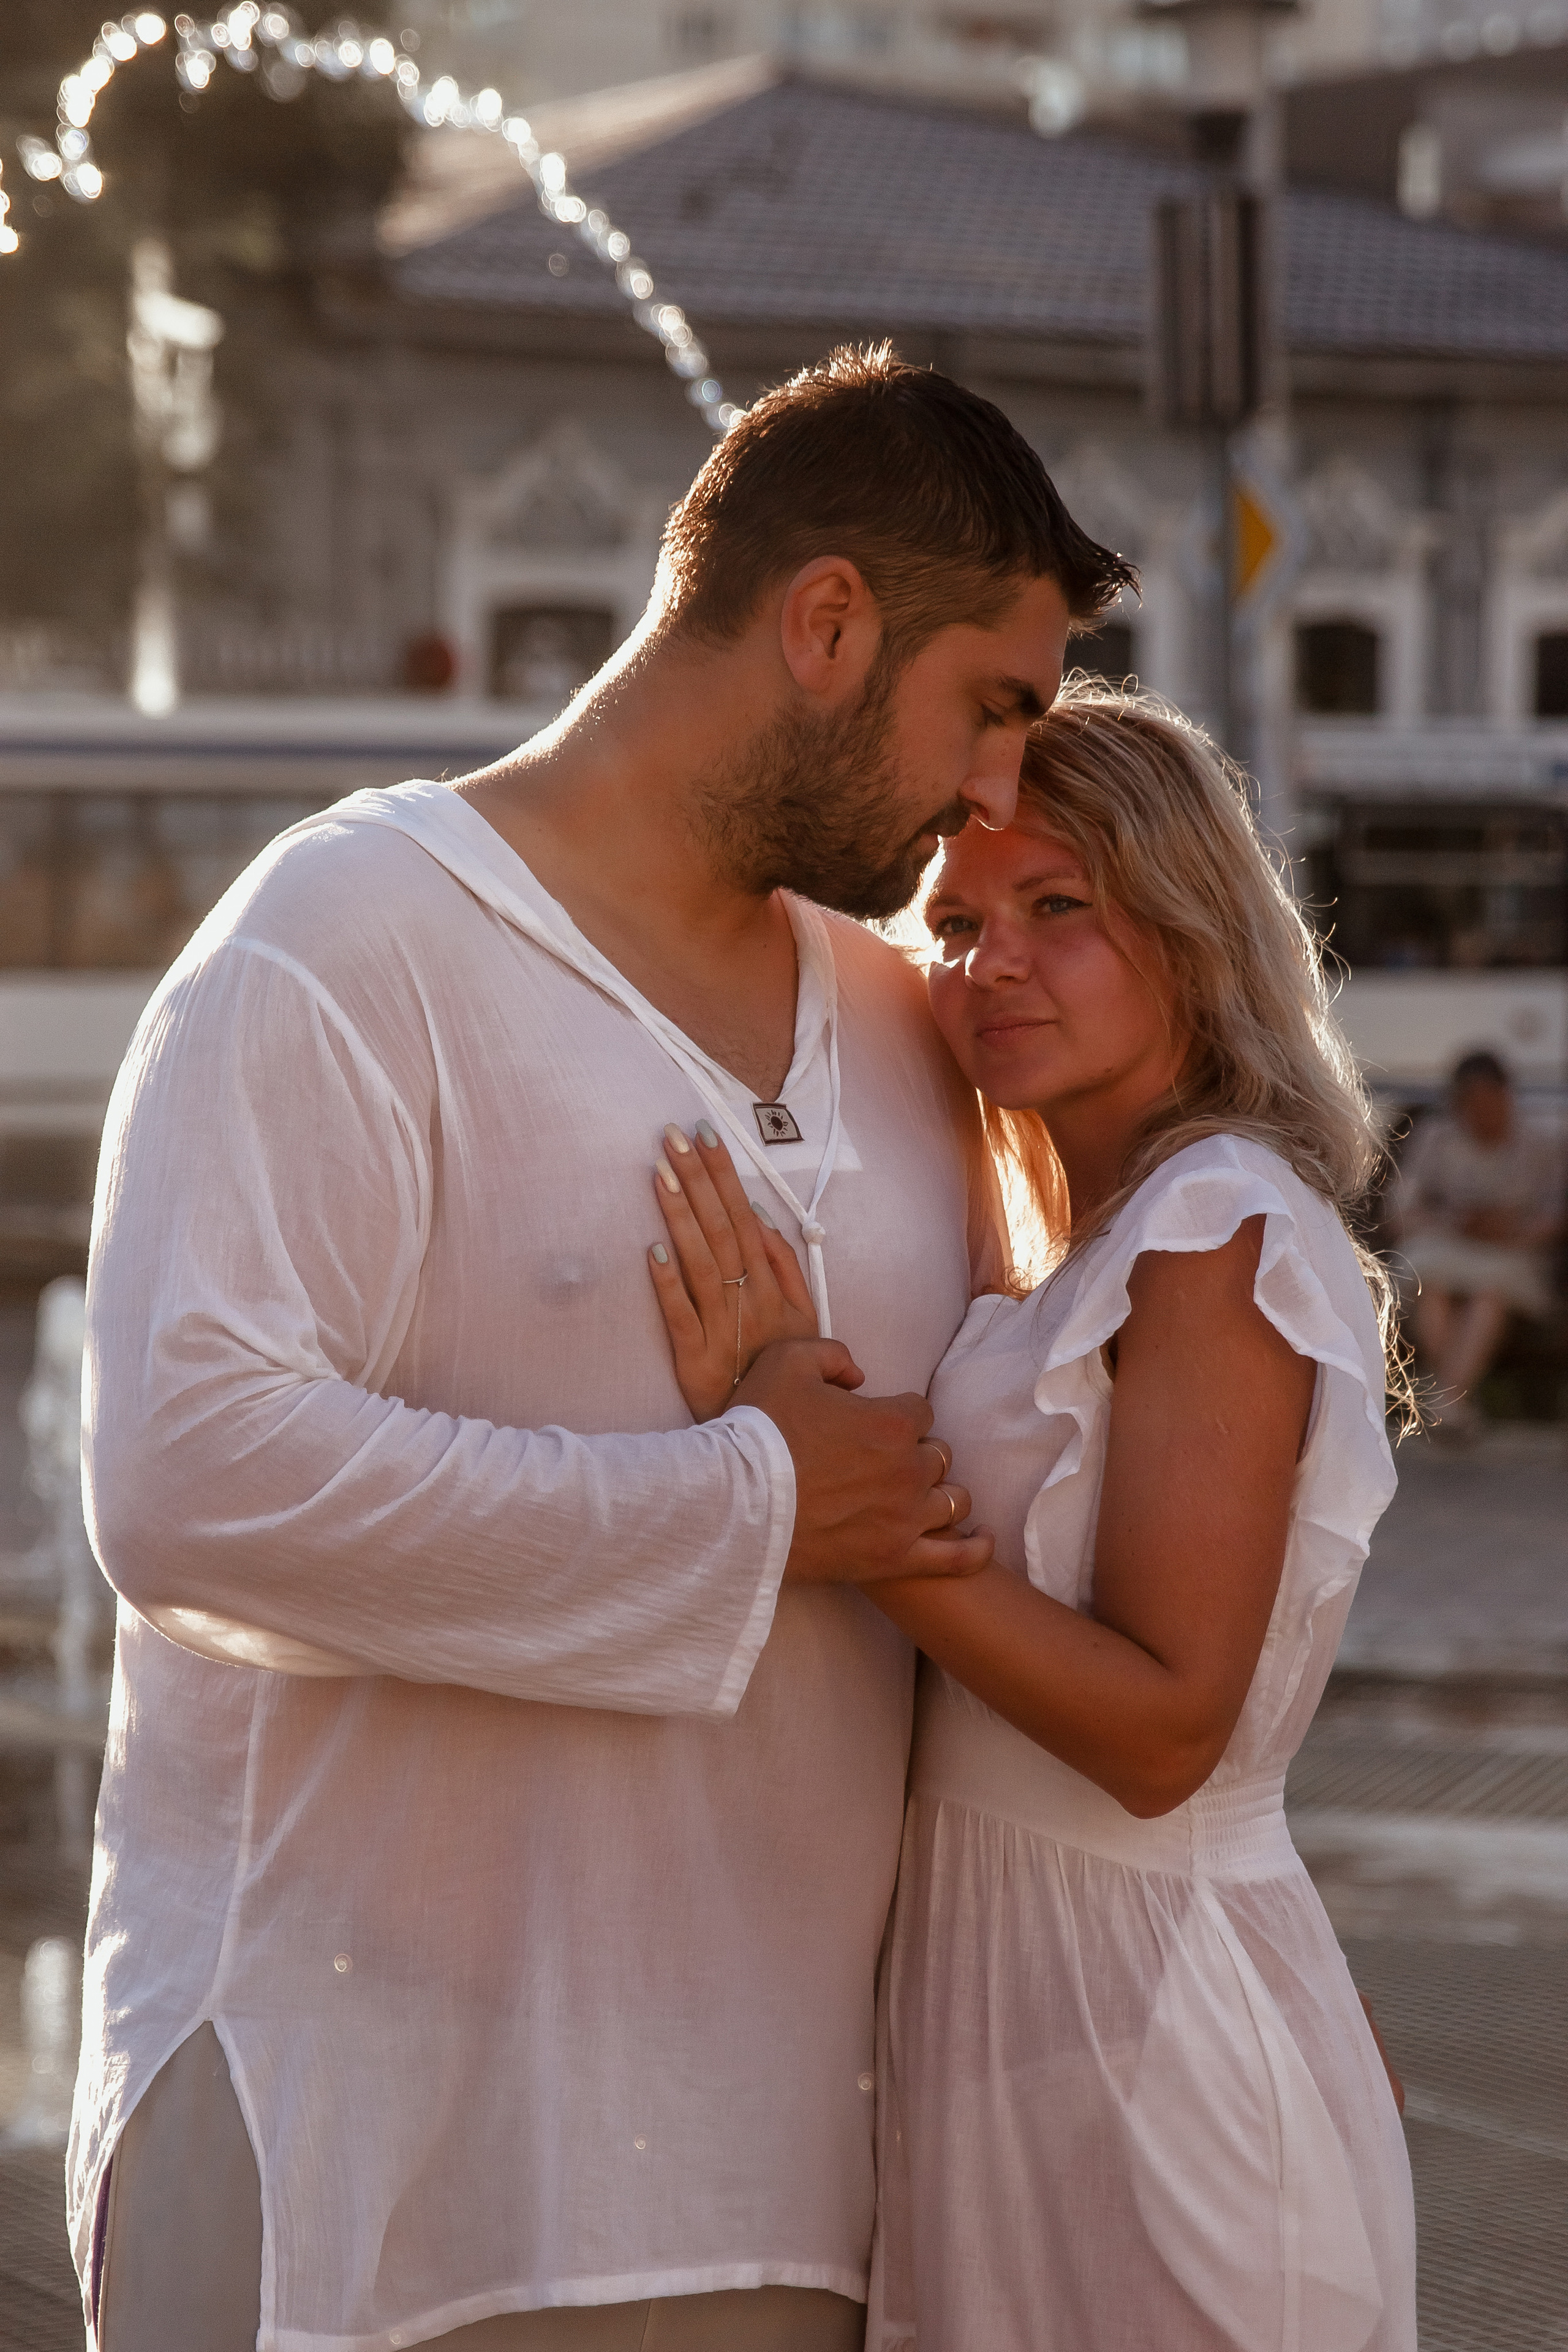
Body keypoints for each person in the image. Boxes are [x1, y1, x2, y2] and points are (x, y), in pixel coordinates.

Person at [71, 346, 1133, 2351]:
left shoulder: (908, 1020)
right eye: (991, 709)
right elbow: (183, 1482)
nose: (1000, 790)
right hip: (359, 2162)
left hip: (787, 2192)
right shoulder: (344, 941)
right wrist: (745, 1506)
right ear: (827, 622)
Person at [648, 686, 1417, 2352]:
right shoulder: (1083, 1249)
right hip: (1027, 2009)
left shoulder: (1215, 1225)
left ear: (1190, 924)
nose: (991, 961)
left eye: (1059, 908)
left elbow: (1164, 1738)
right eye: (957, 923)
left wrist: (829, 1487)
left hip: (1144, 2033)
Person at [1390, 1049, 1564, 1443]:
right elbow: (1402, 1208)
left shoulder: (1542, 1143)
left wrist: (1509, 1229)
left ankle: (1443, 1401)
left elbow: (1555, 1215)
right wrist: (1457, 1223)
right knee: (1429, 1289)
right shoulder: (1435, 1136)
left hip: (1513, 1255)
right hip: (1445, 1250)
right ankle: (1455, 1405)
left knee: (1489, 1295)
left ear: (1508, 1097)